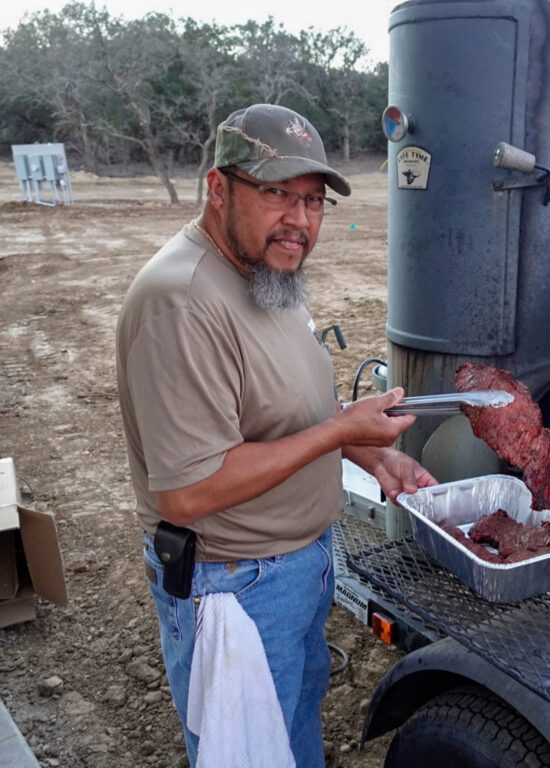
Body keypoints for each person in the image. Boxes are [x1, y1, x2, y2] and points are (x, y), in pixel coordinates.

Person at [115, 103, 436, 767]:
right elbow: (187, 491)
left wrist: (367, 452)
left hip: (295, 566)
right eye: (276, 193)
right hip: (234, 585)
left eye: (313, 201)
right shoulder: (183, 300)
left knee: (290, 733)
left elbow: (280, 408)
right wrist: (340, 429)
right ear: (218, 188)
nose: (300, 220)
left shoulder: (268, 273)